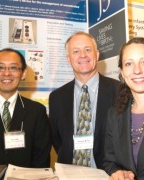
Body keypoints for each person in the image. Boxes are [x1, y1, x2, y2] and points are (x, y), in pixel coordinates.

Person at [49, 31, 120, 168]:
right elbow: (57, 139)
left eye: (88, 49)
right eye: (76, 51)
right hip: (69, 173)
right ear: (68, 59)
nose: (83, 55)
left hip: (108, 174)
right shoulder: (57, 97)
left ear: (97, 55)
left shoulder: (120, 91)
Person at [102, 37, 144, 179]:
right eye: (128, 64)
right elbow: (109, 160)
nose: (137, 70)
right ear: (122, 72)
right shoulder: (114, 114)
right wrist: (116, 171)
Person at [0, 48, 51, 168]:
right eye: (0, 67)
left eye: (13, 68)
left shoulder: (37, 112)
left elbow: (41, 159)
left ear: (23, 73)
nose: (6, 73)